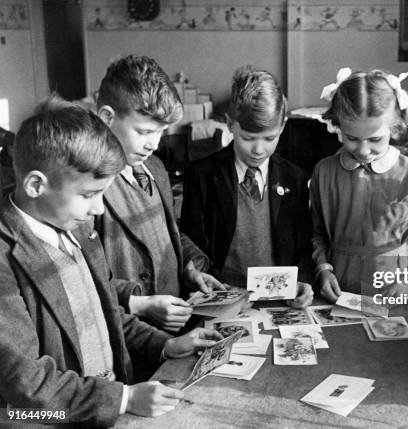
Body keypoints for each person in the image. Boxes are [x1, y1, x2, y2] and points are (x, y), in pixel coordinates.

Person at [0, 98, 223, 426]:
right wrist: (124, 398)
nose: (99, 209)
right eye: (89, 194)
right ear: (36, 185)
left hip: (103, 408)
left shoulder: (79, 229)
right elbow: (27, 383)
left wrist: (165, 344)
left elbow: (108, 313)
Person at [95, 55, 223, 332]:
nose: (153, 144)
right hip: (128, 331)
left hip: (173, 328)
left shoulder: (155, 167)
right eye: (143, 131)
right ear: (107, 118)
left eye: (161, 132)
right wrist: (139, 303)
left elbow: (169, 231)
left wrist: (190, 267)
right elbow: (84, 277)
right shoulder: (90, 188)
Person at [311, 67, 408, 301]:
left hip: (393, 289)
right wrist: (323, 269)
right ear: (337, 126)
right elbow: (317, 233)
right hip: (337, 290)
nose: (364, 150)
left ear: (396, 125)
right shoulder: (324, 172)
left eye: (375, 139)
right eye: (352, 138)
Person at [181, 66, 313, 307]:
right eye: (248, 138)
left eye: (270, 138)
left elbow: (303, 245)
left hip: (282, 298)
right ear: (230, 124)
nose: (258, 150)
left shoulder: (295, 177)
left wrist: (303, 281)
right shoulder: (202, 175)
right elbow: (192, 245)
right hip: (223, 298)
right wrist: (212, 285)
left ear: (282, 126)